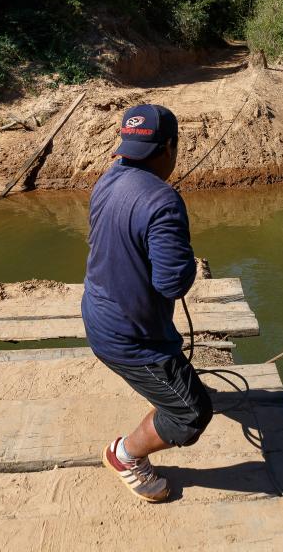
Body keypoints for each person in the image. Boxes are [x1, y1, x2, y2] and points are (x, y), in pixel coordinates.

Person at [82, 103, 213, 502]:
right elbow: (172, 283)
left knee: (181, 394)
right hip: (132, 340)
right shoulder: (164, 202)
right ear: (170, 147)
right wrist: (189, 261)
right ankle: (125, 455)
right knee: (192, 414)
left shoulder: (107, 180)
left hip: (97, 313)